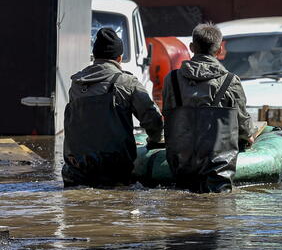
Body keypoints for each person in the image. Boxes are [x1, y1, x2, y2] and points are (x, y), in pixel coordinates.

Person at [63, 28, 164, 187]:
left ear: (94, 56)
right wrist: (156, 140)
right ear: (119, 58)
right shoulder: (126, 82)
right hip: (113, 172)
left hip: (76, 172)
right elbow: (153, 119)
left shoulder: (76, 85)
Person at [162, 23, 255, 193]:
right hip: (218, 168)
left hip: (180, 163)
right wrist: (248, 135)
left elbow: (167, 116)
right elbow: (242, 121)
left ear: (191, 47)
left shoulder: (172, 79)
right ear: (220, 50)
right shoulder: (231, 81)